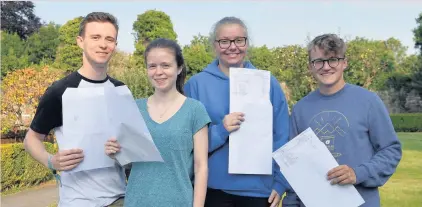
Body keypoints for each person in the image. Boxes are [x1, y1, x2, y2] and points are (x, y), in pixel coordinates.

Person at [282, 34, 402, 207]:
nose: (326, 67)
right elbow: (294, 165)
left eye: (333, 60)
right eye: (319, 61)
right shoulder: (300, 109)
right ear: (310, 66)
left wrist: (358, 173)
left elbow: (391, 150)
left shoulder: (368, 102)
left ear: (344, 63)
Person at [184, 16, 290, 207]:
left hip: (259, 191)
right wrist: (221, 130)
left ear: (247, 43)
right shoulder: (196, 85)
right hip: (212, 189)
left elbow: (282, 136)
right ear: (215, 45)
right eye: (224, 41)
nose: (232, 47)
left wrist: (281, 182)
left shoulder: (268, 83)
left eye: (239, 40)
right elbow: (187, 141)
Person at [23, 12, 127, 207]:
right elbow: (31, 139)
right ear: (80, 41)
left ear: (115, 45)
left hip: (120, 199)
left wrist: (124, 150)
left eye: (109, 39)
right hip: (77, 202)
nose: (103, 44)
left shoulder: (122, 90)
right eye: (95, 37)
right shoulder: (59, 91)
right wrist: (51, 161)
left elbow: (130, 145)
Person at [105, 38, 210, 207]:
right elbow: (129, 161)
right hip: (136, 202)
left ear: (179, 68)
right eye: (152, 66)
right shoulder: (134, 109)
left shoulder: (195, 110)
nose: (158, 72)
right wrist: (115, 154)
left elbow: (201, 167)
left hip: (179, 202)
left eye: (165, 65)